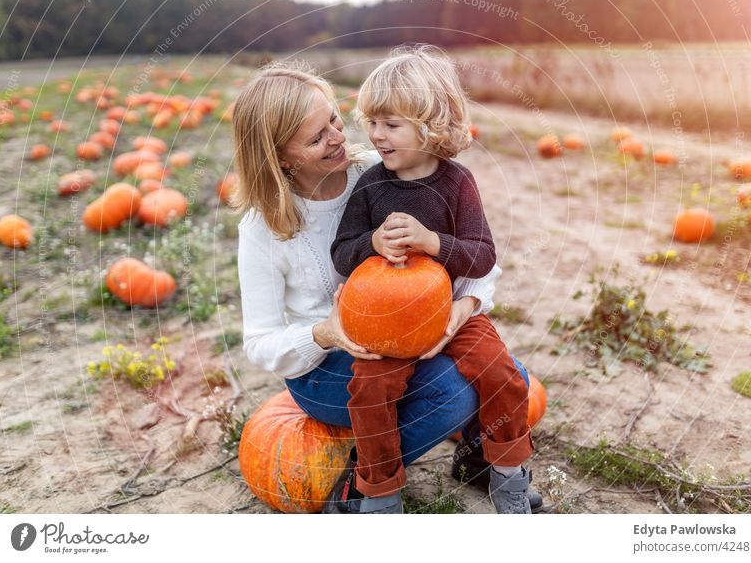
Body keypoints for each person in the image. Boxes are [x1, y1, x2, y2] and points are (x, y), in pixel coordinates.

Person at [232, 61, 541, 515]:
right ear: (280, 156)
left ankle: (487, 463)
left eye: (335, 120)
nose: (340, 137)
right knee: (452, 394)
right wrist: (326, 333)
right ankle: (364, 486)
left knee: (503, 370)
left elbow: (478, 254)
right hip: (328, 365)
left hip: (412, 329)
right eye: (316, 138)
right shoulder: (262, 228)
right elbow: (260, 344)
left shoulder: (383, 173)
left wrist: (467, 303)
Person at [331, 45, 536, 514]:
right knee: (369, 392)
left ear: (432, 125)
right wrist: (373, 244)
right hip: (385, 321)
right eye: (372, 122)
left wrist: (432, 242)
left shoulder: (458, 183)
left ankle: (508, 477)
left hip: (453, 312)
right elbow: (342, 254)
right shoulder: (371, 185)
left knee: (503, 374)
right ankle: (379, 496)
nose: (376, 135)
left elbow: (482, 257)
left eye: (391, 124)